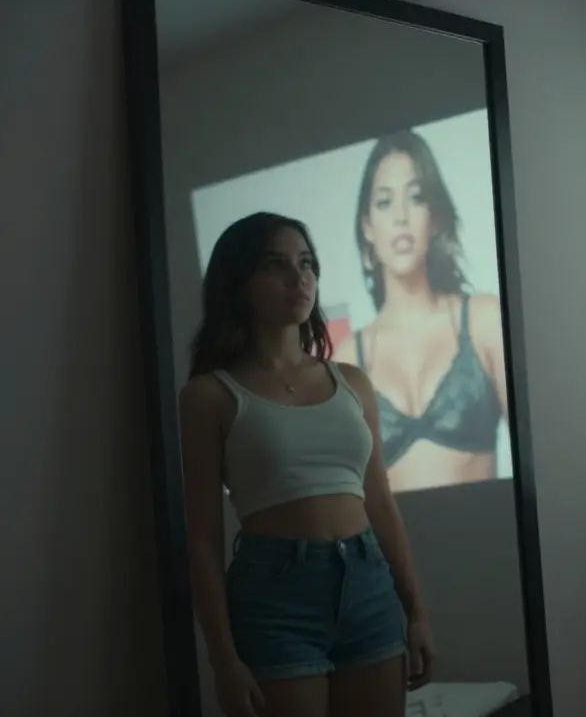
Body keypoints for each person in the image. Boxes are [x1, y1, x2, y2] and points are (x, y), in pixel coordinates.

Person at [179, 212, 437, 717]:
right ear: (240, 283)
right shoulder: (209, 395)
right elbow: (202, 540)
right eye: (276, 265)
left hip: (368, 585)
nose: (299, 278)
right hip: (275, 596)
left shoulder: (352, 383)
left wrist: (417, 612)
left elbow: (380, 504)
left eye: (307, 263)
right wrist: (223, 660)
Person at [341, 130, 511, 493]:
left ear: (434, 218)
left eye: (416, 198)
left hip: (490, 541)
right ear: (367, 226)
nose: (401, 216)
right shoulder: (346, 363)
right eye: (384, 202)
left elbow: (542, 457)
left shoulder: (484, 322)